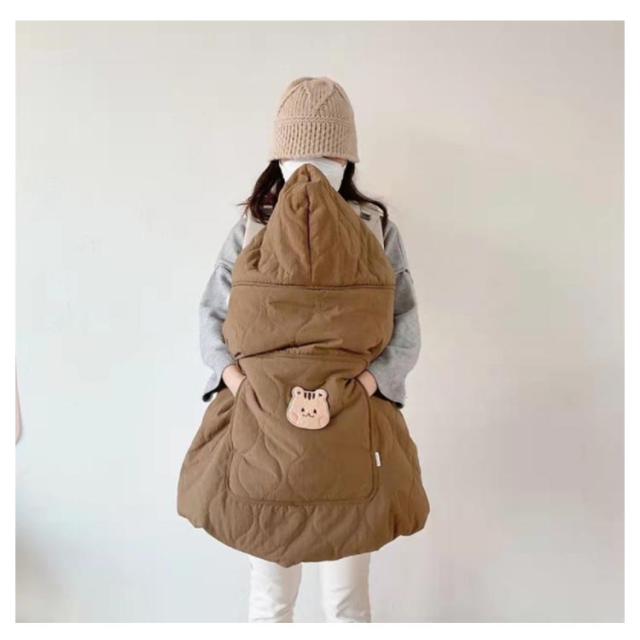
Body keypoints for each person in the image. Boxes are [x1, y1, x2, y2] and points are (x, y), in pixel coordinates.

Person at [196, 77, 423, 623]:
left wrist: (368, 385)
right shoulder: (251, 227)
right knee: (270, 600)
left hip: (352, 427)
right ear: (278, 158)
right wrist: (238, 383)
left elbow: (405, 320)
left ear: (348, 159)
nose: (312, 170)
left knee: (346, 601)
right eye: (298, 155)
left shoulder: (376, 228)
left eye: (327, 156)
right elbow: (213, 313)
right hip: (262, 429)